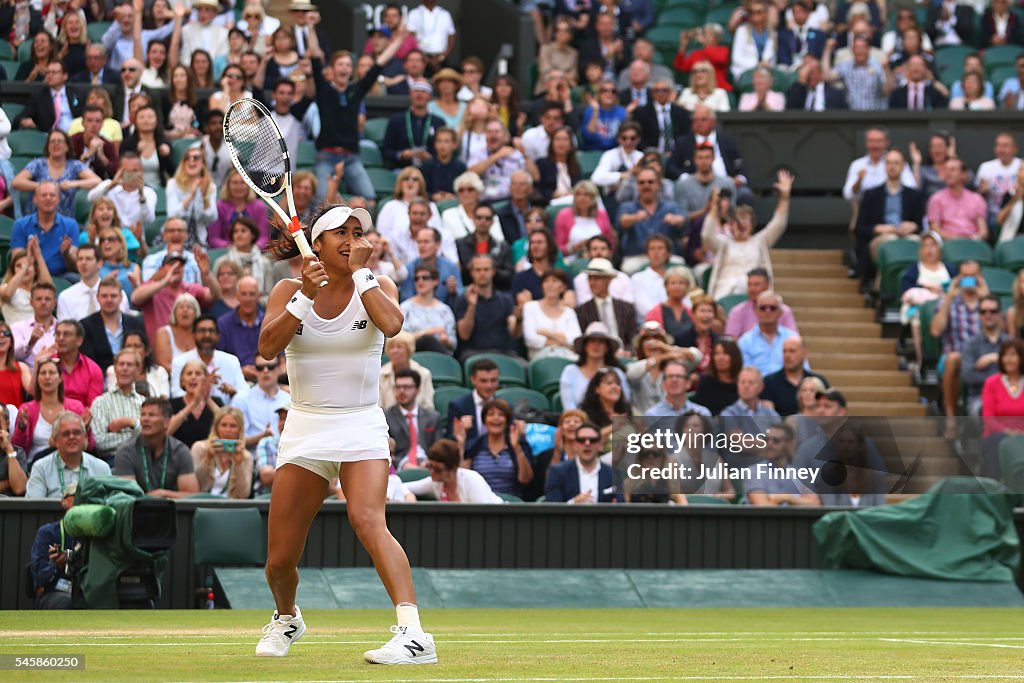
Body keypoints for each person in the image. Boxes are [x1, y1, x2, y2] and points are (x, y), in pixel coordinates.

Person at [255, 203, 437, 662]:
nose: (353, 238)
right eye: (341, 231)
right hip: (305, 426)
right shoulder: (286, 290)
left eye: (358, 232)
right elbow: (266, 350)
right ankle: (287, 618)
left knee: (368, 519)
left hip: (360, 423)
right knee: (279, 560)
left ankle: (414, 635)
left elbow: (393, 325)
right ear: (315, 244)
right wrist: (304, 296)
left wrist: (362, 277)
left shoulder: (378, 285)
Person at [309, 25, 406, 204]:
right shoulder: (324, 89)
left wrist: (399, 40)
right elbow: (315, 56)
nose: (345, 68)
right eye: (340, 64)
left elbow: (379, 65)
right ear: (332, 69)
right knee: (321, 202)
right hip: (326, 156)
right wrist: (310, 27)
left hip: (351, 157)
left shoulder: (356, 90)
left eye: (348, 65)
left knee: (370, 199)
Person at [702, 171, 794, 299]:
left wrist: (784, 197)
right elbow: (707, 236)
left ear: (752, 225)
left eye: (746, 219)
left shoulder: (760, 241)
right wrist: (714, 207)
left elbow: (778, 224)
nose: (741, 224)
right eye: (738, 220)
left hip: (753, 295)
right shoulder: (724, 244)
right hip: (724, 294)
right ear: (731, 225)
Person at [855, 149, 925, 286]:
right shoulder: (871, 195)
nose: (892, 166)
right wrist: (878, 228)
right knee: (889, 243)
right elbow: (860, 228)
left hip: (908, 237)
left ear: (904, 166)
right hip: (882, 238)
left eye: (896, 163)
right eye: (889, 163)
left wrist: (913, 226)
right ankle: (883, 287)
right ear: (884, 166)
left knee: (919, 244)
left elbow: (921, 225)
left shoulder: (914, 196)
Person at [931, 260, 986, 437]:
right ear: (958, 278)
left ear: (981, 277)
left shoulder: (989, 304)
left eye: (974, 276)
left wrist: (985, 297)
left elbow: (1001, 336)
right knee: (953, 358)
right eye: (965, 276)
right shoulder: (948, 302)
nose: (969, 280)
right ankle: (951, 419)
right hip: (954, 357)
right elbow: (935, 331)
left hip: (984, 357)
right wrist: (948, 298)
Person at [113, 396, 199, 498]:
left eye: (152, 415)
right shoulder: (126, 451)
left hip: (172, 510)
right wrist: (150, 499)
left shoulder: (180, 451)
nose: (145, 419)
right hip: (137, 512)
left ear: (167, 422)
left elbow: (192, 495)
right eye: (143, 414)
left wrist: (164, 494)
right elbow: (127, 496)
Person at [133, 245, 216, 346]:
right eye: (171, 264)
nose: (176, 267)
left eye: (180, 264)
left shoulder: (190, 288)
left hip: (187, 347)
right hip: (159, 347)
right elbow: (135, 298)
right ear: (162, 269)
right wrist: (165, 282)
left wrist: (207, 274)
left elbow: (215, 296)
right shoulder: (153, 287)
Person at [13, 128, 100, 218]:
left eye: (60, 141)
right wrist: (42, 186)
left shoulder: (74, 165)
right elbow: (17, 182)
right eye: (52, 141)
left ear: (67, 146)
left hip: (65, 220)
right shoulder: (38, 164)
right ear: (48, 146)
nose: (56, 144)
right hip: (35, 218)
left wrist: (73, 184)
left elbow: (97, 181)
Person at [15, 360, 89, 464]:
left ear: (60, 378)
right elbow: (18, 449)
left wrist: (86, 428)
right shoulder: (27, 409)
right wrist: (21, 429)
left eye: (52, 372)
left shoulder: (76, 407)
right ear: (37, 378)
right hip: (36, 464)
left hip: (70, 461)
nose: (47, 377)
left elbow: (89, 446)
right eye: (43, 373)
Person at [456, 398, 533, 496]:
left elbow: (525, 479)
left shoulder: (519, 444)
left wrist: (517, 448)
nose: (496, 418)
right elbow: (463, 478)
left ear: (507, 420)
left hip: (511, 503)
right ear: (484, 420)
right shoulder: (474, 445)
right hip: (480, 502)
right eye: (491, 414)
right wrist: (461, 444)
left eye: (501, 415)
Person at [25, 411, 108, 499]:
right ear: (56, 440)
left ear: (85, 438)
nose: (72, 437)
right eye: (66, 434)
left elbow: (110, 505)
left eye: (76, 432)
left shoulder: (101, 468)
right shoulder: (41, 468)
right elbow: (34, 507)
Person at [617, 168, 686, 273]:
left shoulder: (671, 207)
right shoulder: (628, 207)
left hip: (667, 257)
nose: (646, 185)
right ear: (637, 185)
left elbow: (684, 221)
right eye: (641, 182)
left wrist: (677, 220)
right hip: (638, 257)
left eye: (650, 182)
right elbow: (622, 222)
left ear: (659, 184)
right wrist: (634, 218)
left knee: (681, 268)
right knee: (628, 268)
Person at [169, 316, 249, 405]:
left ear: (218, 336)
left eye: (211, 331)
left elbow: (245, 394)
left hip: (225, 414)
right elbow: (177, 394)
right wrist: (202, 387)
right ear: (193, 335)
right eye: (202, 331)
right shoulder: (180, 362)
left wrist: (233, 392)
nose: (207, 335)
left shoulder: (231, 361)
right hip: (191, 414)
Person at [453, 255, 518, 361]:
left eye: (486, 269)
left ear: (493, 271)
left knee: (524, 367)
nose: (482, 273)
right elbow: (464, 335)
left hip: (504, 353)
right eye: (478, 270)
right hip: (473, 353)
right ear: (472, 273)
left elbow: (514, 333)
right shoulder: (463, 300)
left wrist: (519, 320)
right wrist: (471, 306)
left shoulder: (506, 300)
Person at [90, 348, 147, 461]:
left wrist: (130, 423)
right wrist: (136, 434)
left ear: (138, 370)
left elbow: (151, 438)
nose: (125, 368)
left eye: (129, 365)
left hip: (141, 460)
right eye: (121, 364)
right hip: (112, 460)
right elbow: (100, 442)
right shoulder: (100, 402)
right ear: (115, 369)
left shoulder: (144, 403)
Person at [746, 422, 821, 506]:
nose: (770, 444)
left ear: (789, 444)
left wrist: (787, 497)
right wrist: (797, 501)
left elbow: (815, 504)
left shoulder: (800, 473)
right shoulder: (754, 471)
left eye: (776, 441)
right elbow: (762, 505)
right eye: (767, 440)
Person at [560, 323, 630, 411]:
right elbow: (569, 407)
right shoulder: (570, 371)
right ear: (585, 345)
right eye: (592, 340)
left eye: (601, 341)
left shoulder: (617, 372)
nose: (596, 345)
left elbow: (625, 402)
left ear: (607, 347)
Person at [404, 439, 502, 503]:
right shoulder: (435, 483)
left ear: (453, 468)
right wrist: (408, 495)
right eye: (429, 466)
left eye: (438, 469)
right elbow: (400, 486)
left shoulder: (472, 480)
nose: (432, 472)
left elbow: (483, 515)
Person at [544, 421, 618, 503]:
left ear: (600, 445)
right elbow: (552, 506)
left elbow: (621, 504)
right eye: (581, 440)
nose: (587, 443)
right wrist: (573, 503)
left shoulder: (614, 474)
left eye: (593, 440)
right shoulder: (557, 472)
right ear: (575, 445)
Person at [575, 259, 638, 351]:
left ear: (609, 279)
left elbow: (632, 337)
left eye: (597, 278)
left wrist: (628, 352)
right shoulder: (582, 311)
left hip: (623, 354)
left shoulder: (626, 308)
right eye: (590, 278)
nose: (592, 283)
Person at [190, 406, 253, 498]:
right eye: (223, 425)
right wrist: (207, 459)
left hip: (230, 508)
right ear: (216, 428)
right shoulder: (200, 448)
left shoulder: (246, 456)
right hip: (202, 504)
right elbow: (194, 487)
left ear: (240, 430)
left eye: (233, 426)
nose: (228, 430)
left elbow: (243, 495)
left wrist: (239, 465)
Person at [384, 368, 441, 470]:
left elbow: (439, 447)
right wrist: (402, 464)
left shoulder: (432, 417)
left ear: (418, 390)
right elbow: (384, 451)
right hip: (400, 468)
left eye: (406, 387)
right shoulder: (386, 416)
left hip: (428, 466)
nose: (401, 391)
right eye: (398, 387)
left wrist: (430, 462)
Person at [522, 269, 580, 361]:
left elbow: (575, 340)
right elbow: (530, 340)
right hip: (540, 359)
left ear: (563, 287)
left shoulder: (569, 312)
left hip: (567, 358)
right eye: (546, 281)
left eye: (554, 281)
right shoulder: (530, 307)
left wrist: (547, 333)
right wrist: (562, 341)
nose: (550, 285)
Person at [166, 146, 217, 248]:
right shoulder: (173, 184)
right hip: (176, 239)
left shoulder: (210, 186)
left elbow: (212, 218)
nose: (191, 161)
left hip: (199, 241)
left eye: (196, 158)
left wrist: (204, 197)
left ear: (203, 164)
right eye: (187, 158)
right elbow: (172, 215)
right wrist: (191, 195)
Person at [927, 158, 988, 242]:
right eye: (946, 170)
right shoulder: (936, 199)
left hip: (972, 243)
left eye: (952, 170)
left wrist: (974, 239)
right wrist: (956, 240)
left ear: (964, 174)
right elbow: (934, 229)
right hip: (947, 245)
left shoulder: (977, 199)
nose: (948, 173)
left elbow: (983, 231)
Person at [400, 264, 457, 354]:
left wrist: (445, 340)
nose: (420, 281)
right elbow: (401, 339)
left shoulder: (445, 310)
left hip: (439, 353)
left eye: (425, 278)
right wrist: (428, 332)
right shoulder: (405, 308)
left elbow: (453, 343)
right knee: (427, 340)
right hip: (413, 352)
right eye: (416, 279)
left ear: (435, 281)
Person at [454, 204, 513, 290]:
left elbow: (509, 275)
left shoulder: (502, 247)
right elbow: (458, 273)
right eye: (479, 217)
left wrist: (491, 269)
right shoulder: (460, 244)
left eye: (487, 218)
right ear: (473, 219)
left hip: (495, 291)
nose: (483, 221)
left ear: (493, 221)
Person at [554, 181, 616, 261]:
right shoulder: (563, 215)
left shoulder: (602, 215)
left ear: (593, 198)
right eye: (578, 194)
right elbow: (558, 248)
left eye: (586, 195)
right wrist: (575, 247)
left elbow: (610, 241)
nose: (581, 198)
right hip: (571, 261)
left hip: (599, 259)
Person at [216, 276, 264, 379]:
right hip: (234, 379)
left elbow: (281, 357)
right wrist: (240, 371)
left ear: (259, 296)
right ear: (236, 296)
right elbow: (219, 360)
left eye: (252, 294)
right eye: (243, 294)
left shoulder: (268, 322)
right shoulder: (223, 324)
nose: (247, 299)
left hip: (267, 375)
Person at [52, 319, 104, 409]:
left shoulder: (93, 369)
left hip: (81, 419)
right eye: (58, 334)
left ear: (79, 340)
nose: (60, 338)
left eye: (66, 334)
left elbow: (93, 407)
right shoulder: (47, 364)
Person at [0, 240, 53, 326]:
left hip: (40, 334)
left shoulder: (40, 292)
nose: (25, 267)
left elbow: (50, 289)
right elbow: (7, 294)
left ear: (36, 270)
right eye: (18, 266)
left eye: (29, 265)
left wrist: (38, 256)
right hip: (16, 336)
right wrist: (26, 265)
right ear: (13, 270)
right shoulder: (4, 287)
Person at [379, 331, 435, 412]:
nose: (395, 351)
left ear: (409, 350)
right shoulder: (380, 375)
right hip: (388, 421)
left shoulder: (424, 374)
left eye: (399, 347)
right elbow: (379, 406)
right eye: (391, 347)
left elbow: (428, 406)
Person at [446, 358, 499, 440]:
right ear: (473, 380)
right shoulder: (458, 406)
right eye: (483, 381)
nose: (489, 386)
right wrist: (460, 432)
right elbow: (449, 440)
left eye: (493, 380)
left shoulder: (505, 407)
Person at [105, 331, 169, 398]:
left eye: (137, 346)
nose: (132, 349)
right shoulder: (114, 370)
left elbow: (164, 400)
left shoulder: (159, 372)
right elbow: (113, 397)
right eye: (128, 346)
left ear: (147, 351)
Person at [976, 133, 1022, 226]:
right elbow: (978, 197)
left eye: (1005, 145)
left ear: (1015, 149)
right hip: (993, 213)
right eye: (998, 145)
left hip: (1017, 211)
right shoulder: (986, 167)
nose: (1001, 149)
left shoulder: (1021, 166)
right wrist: (982, 191)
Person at [11, 282, 58, 371]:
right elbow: (11, 355)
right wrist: (30, 342)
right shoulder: (18, 328)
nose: (43, 302)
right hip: (28, 378)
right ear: (31, 302)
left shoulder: (63, 329)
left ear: (55, 303)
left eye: (47, 299)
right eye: (39, 299)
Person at [693, 338, 742, 416]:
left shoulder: (743, 383)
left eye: (725, 353)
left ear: (734, 357)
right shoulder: (705, 383)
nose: (720, 358)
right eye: (716, 354)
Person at [535, 127, 581, 206]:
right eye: (557, 139)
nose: (561, 143)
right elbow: (537, 189)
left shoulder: (575, 166)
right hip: (550, 204)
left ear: (571, 145)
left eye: (565, 139)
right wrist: (553, 194)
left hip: (572, 203)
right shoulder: (542, 163)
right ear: (552, 143)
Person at [71, 105, 119, 180]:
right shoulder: (72, 141)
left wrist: (102, 157)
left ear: (102, 124)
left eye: (98, 121)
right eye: (90, 120)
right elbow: (68, 170)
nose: (94, 125)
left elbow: (116, 173)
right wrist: (87, 155)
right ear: (83, 123)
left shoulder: (107, 145)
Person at [421, 127, 466, 201]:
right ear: (435, 144)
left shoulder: (461, 167)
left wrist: (454, 197)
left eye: (446, 141)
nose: (442, 145)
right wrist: (432, 196)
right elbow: (422, 191)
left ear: (454, 145)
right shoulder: (426, 166)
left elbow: (464, 191)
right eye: (439, 141)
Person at [0, 321, 31, 408]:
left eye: (6, 333)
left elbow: (33, 391)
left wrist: (38, 362)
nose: (2, 336)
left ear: (11, 342)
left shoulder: (21, 367)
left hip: (14, 419)